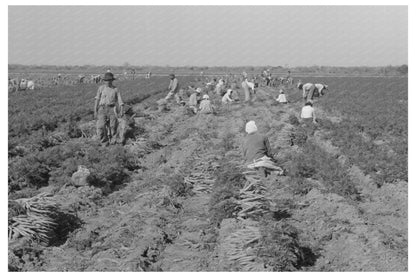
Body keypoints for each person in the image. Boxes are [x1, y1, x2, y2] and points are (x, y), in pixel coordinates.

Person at [94, 72, 124, 146]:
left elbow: (120, 100)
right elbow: (97, 99)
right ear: (104, 81)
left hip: (112, 109)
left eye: (109, 80)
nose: (107, 82)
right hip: (102, 108)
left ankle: (113, 142)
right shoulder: (101, 88)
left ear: (112, 80)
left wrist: (121, 110)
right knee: (101, 126)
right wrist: (95, 110)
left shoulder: (115, 89)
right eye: (106, 80)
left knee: (113, 126)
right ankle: (104, 142)